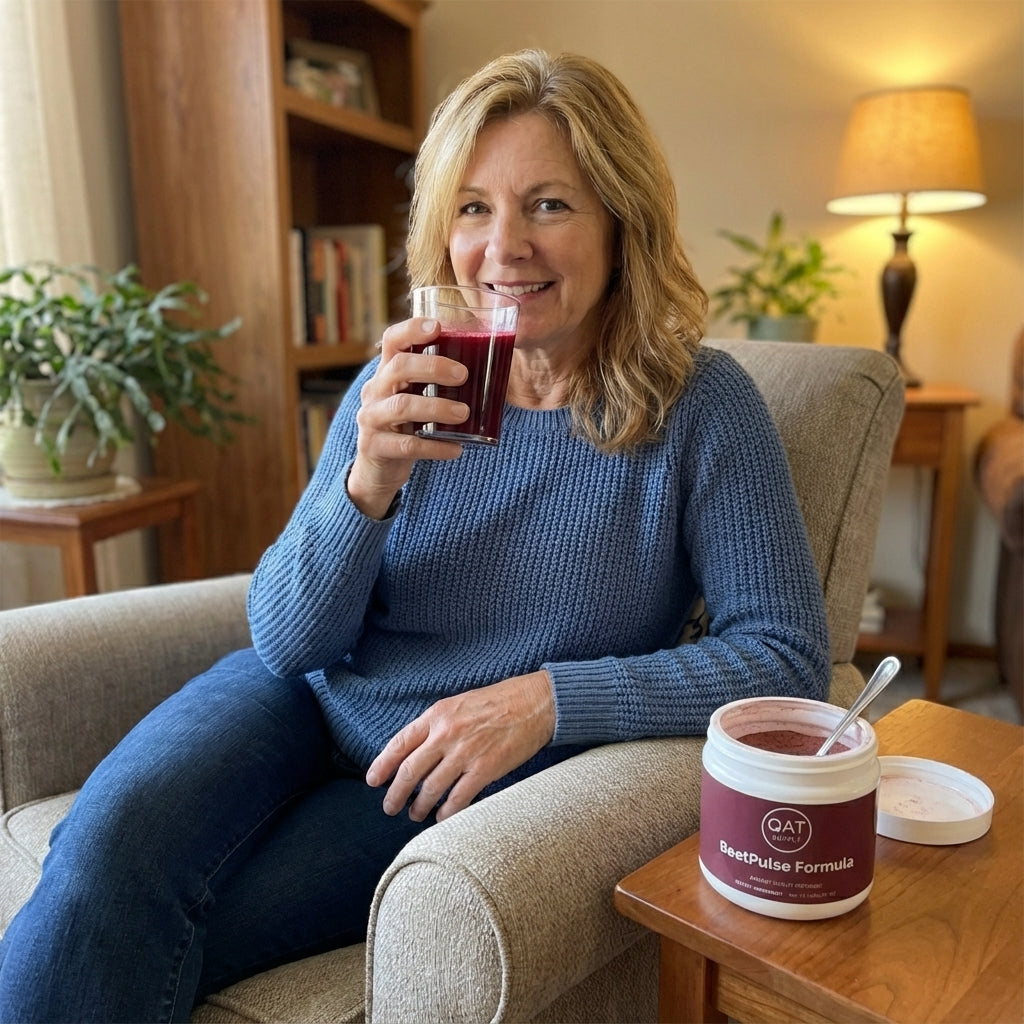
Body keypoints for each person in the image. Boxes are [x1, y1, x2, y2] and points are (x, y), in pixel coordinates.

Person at [0, 49, 829, 1022]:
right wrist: (367, 481)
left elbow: (786, 657)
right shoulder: (405, 380)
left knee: (154, 926)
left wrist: (546, 700)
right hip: (297, 698)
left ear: (620, 220)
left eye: (548, 205)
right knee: (99, 858)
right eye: (473, 207)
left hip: (441, 772)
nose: (503, 247)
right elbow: (287, 642)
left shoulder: (700, 406)